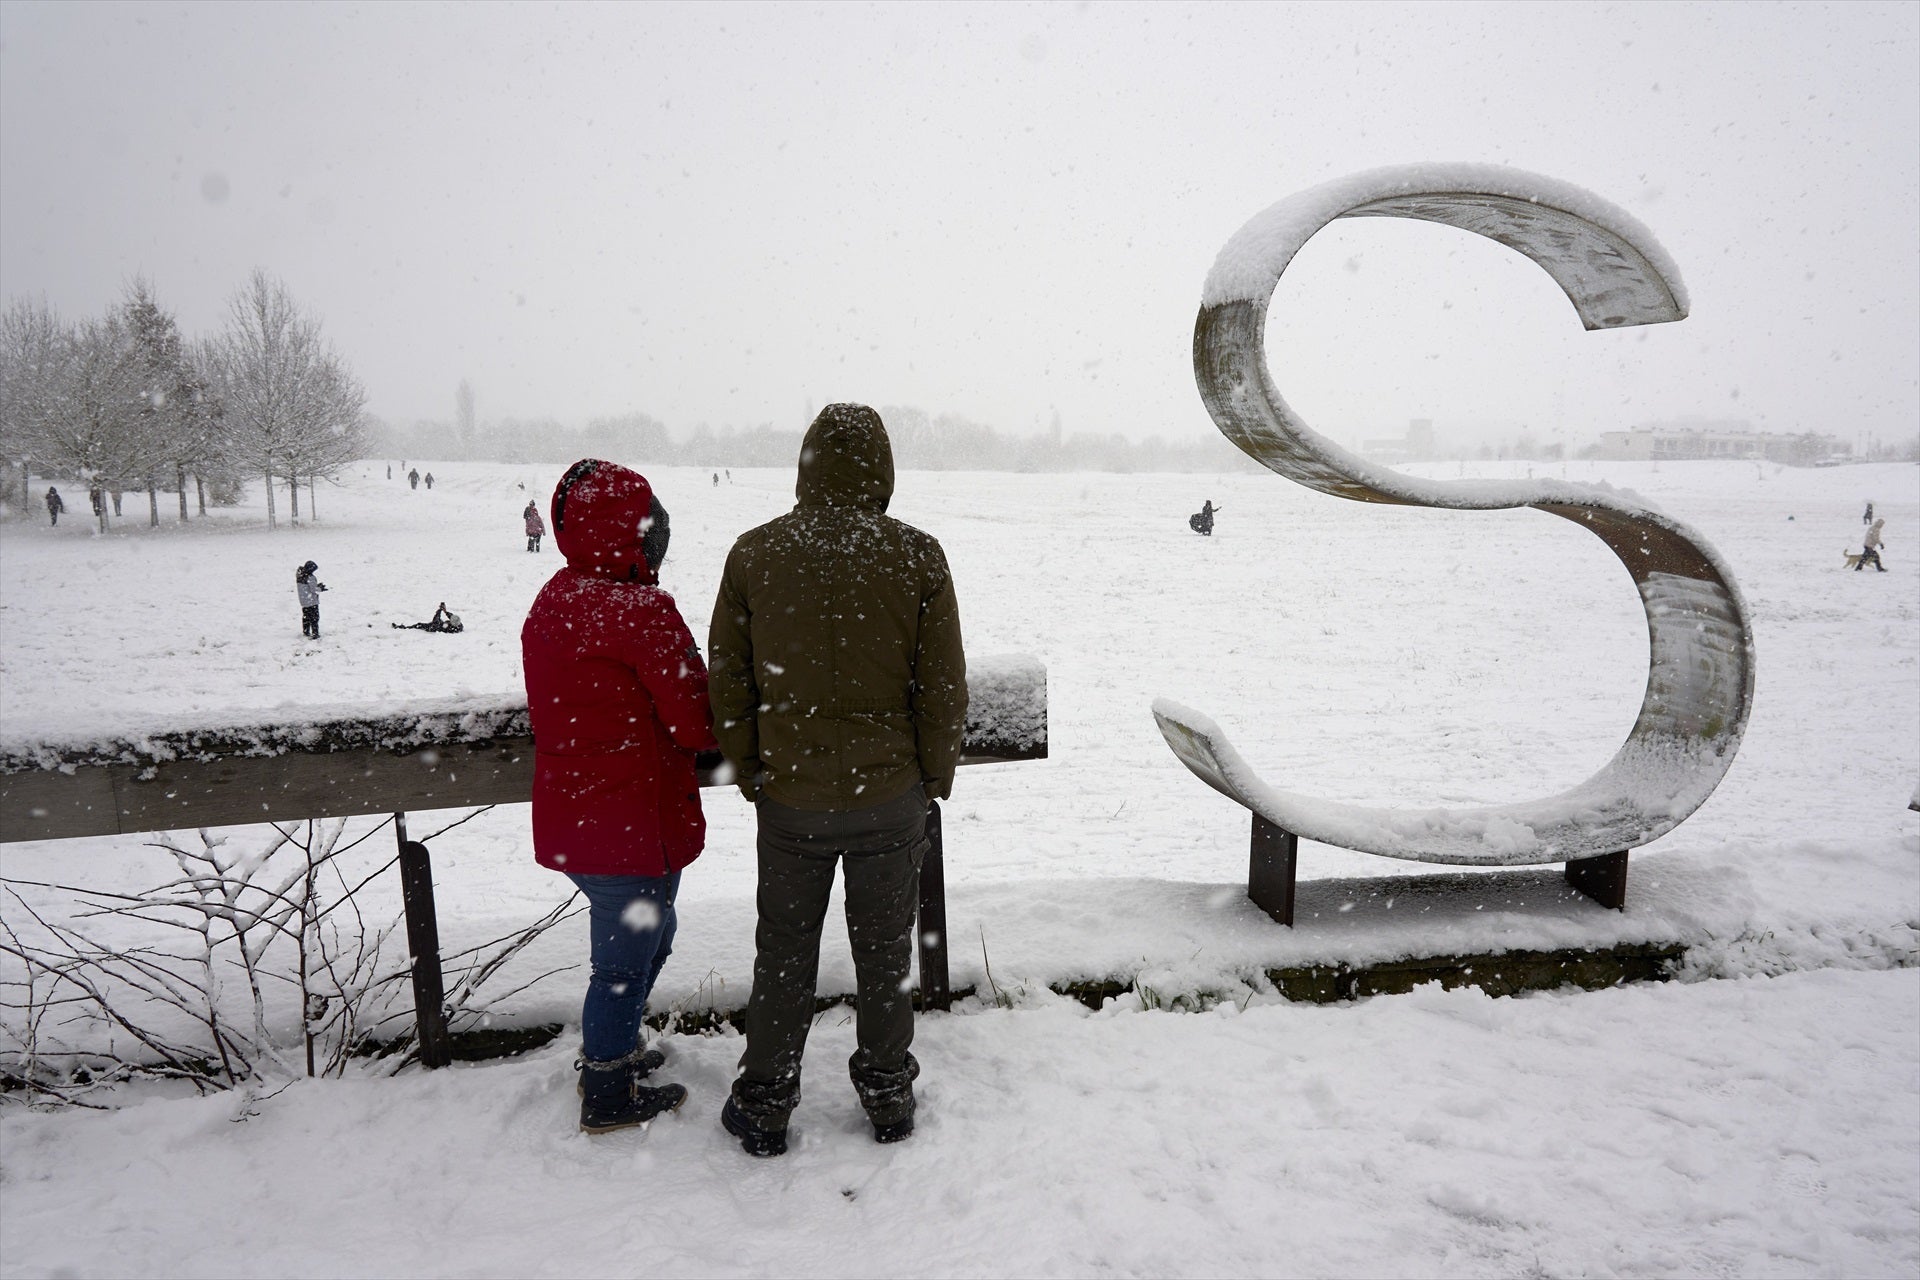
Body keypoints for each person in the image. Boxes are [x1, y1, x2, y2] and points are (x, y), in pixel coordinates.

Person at [708, 403, 967, 1157]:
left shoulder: (756, 554)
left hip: (792, 801)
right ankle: (887, 1093)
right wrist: (932, 777)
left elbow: (729, 678)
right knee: (885, 954)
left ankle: (765, 1102)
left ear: (807, 464)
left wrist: (751, 768)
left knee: (783, 952)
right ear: (883, 470)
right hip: (891, 800)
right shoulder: (916, 556)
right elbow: (943, 686)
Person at [522, 459, 717, 1134]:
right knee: (624, 961)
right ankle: (607, 1088)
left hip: (581, 825)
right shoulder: (642, 613)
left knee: (642, 940)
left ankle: (616, 1048)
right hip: (633, 828)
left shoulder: (553, 599)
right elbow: (697, 720)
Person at [295, 561, 327, 638]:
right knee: (314, 618)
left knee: (306, 616)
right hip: (311, 601)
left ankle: (306, 631)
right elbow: (313, 590)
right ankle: (315, 633)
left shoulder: (300, 575)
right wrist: (320, 588)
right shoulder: (310, 577)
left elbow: (306, 587)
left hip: (304, 601)